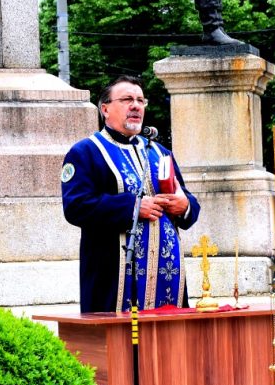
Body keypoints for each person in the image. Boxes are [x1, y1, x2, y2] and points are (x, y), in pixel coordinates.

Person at [60, 76, 201, 313]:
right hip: (113, 278)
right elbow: (76, 207)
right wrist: (133, 207)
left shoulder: (160, 152)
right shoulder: (86, 152)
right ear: (105, 109)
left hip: (168, 278)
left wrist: (184, 205)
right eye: (127, 99)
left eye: (140, 100)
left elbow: (190, 205)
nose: (135, 106)